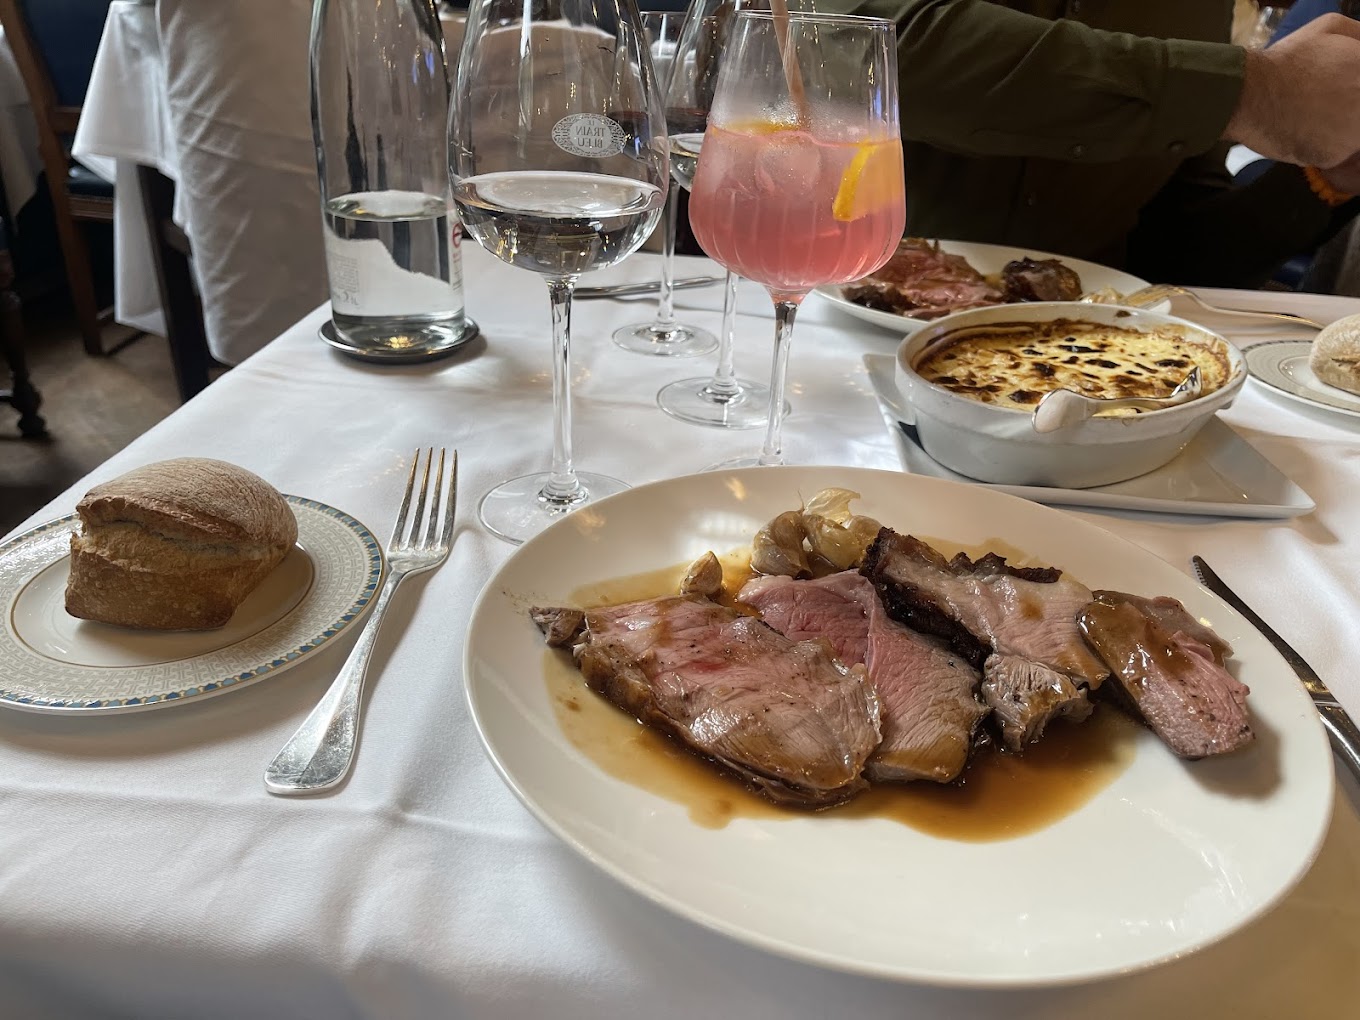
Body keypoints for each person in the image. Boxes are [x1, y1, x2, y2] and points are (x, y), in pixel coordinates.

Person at [817, 1, 1360, 287]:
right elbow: (871, 45)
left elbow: (1168, 253)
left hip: (1062, 373)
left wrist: (1321, 180)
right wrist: (1250, 92)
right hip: (805, 326)